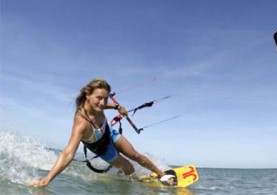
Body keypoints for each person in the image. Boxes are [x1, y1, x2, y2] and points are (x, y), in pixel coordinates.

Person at [30, 78, 172, 187]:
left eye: (106, 98)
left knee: (136, 156)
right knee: (129, 167)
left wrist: (117, 106)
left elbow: (105, 105)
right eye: (99, 98)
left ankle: (161, 174)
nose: (103, 102)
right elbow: (67, 153)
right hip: (102, 148)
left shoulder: (99, 105)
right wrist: (47, 179)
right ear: (88, 95)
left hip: (110, 134)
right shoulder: (82, 123)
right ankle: (131, 180)